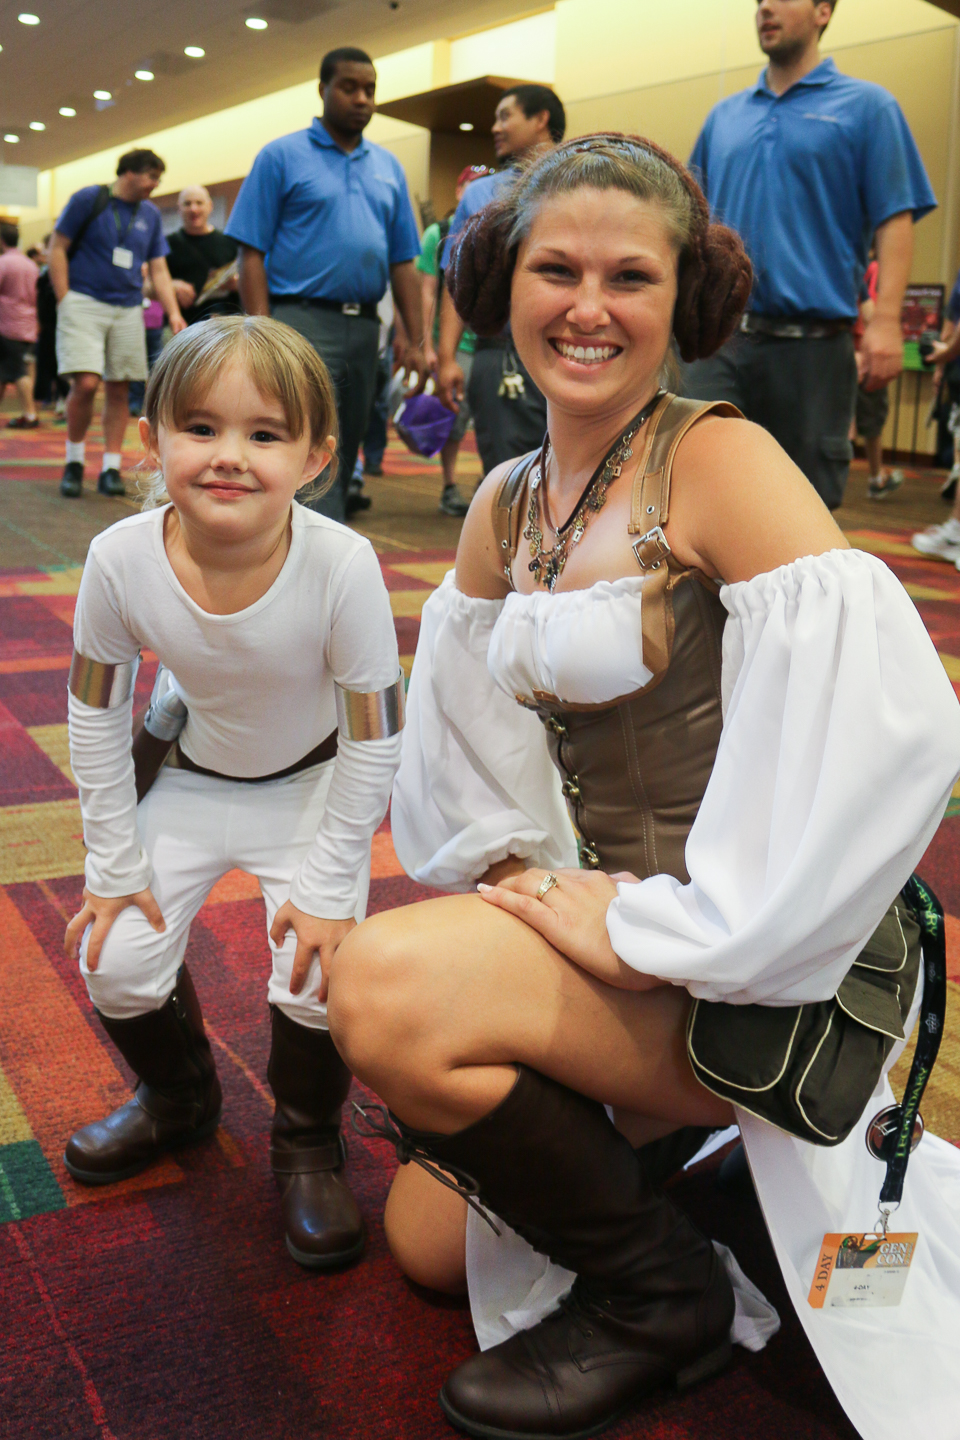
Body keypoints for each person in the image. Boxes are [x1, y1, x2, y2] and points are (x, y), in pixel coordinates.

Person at [324, 136, 960, 1440]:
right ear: (504, 284)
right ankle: (658, 1177)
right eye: (556, 268)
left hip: (759, 968)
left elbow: (885, 737)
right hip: (621, 939)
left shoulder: (719, 464)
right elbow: (472, 741)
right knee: (428, 1244)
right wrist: (522, 882)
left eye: (632, 274)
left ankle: (667, 1297)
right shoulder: (506, 502)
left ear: (688, 299)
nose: (589, 306)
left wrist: (652, 930)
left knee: (382, 990)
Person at [61, 315, 404, 1271]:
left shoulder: (343, 564)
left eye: (264, 435)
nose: (228, 457)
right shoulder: (118, 558)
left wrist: (335, 885)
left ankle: (303, 1139)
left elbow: (376, 739)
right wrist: (112, 860)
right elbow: (95, 713)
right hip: (193, 780)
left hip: (314, 791)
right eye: (200, 428)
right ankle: (179, 1102)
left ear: (316, 457)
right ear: (152, 438)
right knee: (117, 961)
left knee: (315, 969)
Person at [683, 0, 935, 510]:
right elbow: (691, 221)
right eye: (757, 1)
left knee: (802, 512)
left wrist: (887, 320)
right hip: (719, 344)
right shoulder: (724, 116)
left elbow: (895, 219)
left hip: (813, 351)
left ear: (823, 10)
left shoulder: (869, 108)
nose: (765, 8)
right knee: (693, 490)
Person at [227, 45, 425, 522]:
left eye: (370, 90)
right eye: (349, 87)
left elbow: (403, 261)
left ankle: (313, 537)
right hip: (299, 319)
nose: (362, 99)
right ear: (323, 90)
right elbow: (249, 251)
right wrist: (261, 329)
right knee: (305, 435)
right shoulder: (281, 156)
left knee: (346, 439)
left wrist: (414, 338)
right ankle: (304, 545)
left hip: (363, 328)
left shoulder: (388, 167)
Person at [436, 85, 566, 480]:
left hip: (572, 348)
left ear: (541, 119)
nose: (495, 127)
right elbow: (456, 281)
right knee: (509, 479)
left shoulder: (580, 182)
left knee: (578, 476)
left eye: (505, 116)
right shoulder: (480, 194)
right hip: (500, 354)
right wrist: (446, 357)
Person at [48, 149, 187, 499]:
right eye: (151, 177)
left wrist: (172, 312)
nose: (154, 185)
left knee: (120, 387)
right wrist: (64, 297)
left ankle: (111, 465)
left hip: (126, 308)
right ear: (129, 173)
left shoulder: (150, 214)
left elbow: (158, 269)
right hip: (84, 301)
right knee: (86, 383)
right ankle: (74, 461)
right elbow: (58, 246)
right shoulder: (89, 199)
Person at [419, 165, 493, 516]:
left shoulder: (498, 229)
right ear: (460, 189)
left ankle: (490, 481)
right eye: (472, 185)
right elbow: (428, 290)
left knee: (493, 421)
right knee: (454, 418)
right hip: (457, 345)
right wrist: (429, 346)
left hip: (492, 345)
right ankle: (449, 484)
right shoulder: (440, 232)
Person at [854, 254, 904, 499]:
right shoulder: (873, 268)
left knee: (845, 418)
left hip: (838, 347)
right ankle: (876, 477)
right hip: (861, 351)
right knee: (872, 419)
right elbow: (871, 311)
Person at [165, 185, 241, 326]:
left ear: (210, 206)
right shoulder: (166, 244)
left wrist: (237, 284)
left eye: (199, 203)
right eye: (187, 204)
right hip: (182, 325)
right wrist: (171, 285)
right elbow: (149, 284)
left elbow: (245, 278)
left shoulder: (229, 242)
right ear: (179, 209)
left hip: (224, 324)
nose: (193, 209)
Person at [0, 223, 40, 429]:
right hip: (28, 324)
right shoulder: (31, 264)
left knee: (18, 372)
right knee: (7, 370)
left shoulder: (4, 263)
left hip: (8, 325)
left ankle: (30, 414)